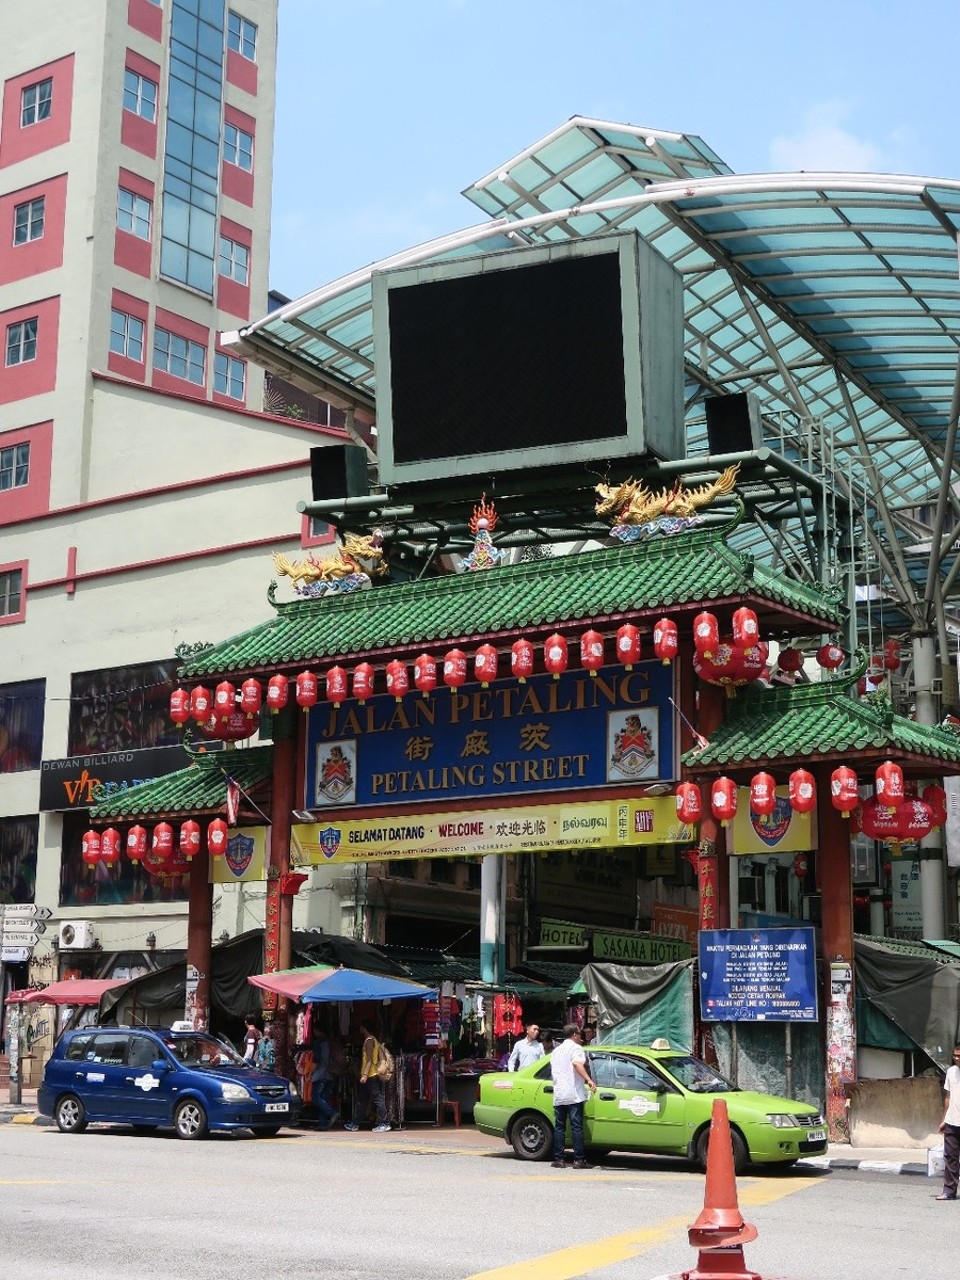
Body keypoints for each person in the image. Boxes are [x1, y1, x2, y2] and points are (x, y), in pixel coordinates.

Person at [550, 1022, 596, 1170]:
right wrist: (589, 1079)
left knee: (560, 1127)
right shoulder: (576, 1048)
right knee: (576, 1127)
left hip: (560, 1093)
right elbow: (577, 1064)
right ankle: (579, 1160)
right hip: (574, 1093)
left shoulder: (557, 1050)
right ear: (575, 1035)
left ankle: (559, 1159)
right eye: (579, 1034)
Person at [344, 1021, 390, 1133]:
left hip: (371, 1075)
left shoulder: (369, 1041)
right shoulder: (374, 1040)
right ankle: (355, 1122)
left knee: (377, 1098)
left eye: (361, 1028)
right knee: (363, 1100)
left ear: (364, 1028)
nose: (360, 1030)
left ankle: (384, 1123)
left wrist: (365, 1074)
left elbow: (369, 1060)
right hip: (370, 1074)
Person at [937, 1043, 960, 1199]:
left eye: (959, 1055)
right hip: (952, 1121)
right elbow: (948, 1097)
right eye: (955, 1055)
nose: (956, 1058)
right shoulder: (951, 1072)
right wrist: (944, 1119)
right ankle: (949, 1191)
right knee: (950, 1157)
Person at [309, 1028, 340, 1130]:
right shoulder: (330, 1041)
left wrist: (310, 1073)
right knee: (323, 1098)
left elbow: (316, 1060)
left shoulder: (319, 1042)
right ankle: (322, 1124)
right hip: (331, 1073)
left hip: (321, 1074)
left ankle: (332, 1113)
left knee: (315, 1097)